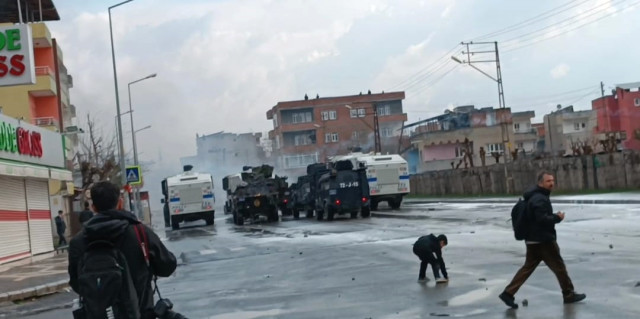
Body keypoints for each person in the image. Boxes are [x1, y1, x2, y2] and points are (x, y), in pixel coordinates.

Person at [68, 181, 177, 318]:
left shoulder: (78, 241)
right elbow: (167, 266)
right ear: (120, 203)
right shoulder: (139, 232)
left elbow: (76, 283)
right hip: (140, 313)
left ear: (93, 207)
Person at [499, 171, 586, 309]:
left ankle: (508, 293)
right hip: (543, 240)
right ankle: (568, 294)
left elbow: (537, 217)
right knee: (559, 267)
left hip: (532, 240)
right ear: (541, 183)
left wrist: (551, 216)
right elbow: (541, 219)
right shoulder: (539, 198)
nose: (551, 183)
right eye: (548, 181)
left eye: (552, 180)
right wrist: (557, 218)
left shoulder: (534, 197)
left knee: (527, 268)